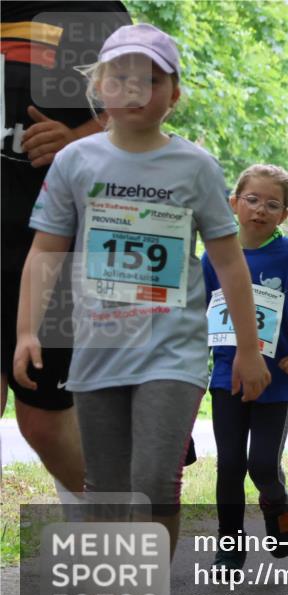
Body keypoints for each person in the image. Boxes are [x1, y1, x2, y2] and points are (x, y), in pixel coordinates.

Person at [13, 24, 270, 595]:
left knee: (154, 481)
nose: (133, 88)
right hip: (97, 347)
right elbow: (45, 251)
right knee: (105, 490)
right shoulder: (77, 162)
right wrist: (25, 330)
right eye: (119, 75)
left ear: (173, 93)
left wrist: (247, 348)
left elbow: (230, 263)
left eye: (149, 77)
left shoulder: (195, 165)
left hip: (172, 348)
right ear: (99, 87)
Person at [2, 1, 131, 496]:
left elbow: (142, 104)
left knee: (43, 424)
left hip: (57, 247)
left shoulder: (98, 12)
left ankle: (125, 525)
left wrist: (76, 137)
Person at [203, 164, 288, 570]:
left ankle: (279, 510)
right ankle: (230, 544)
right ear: (234, 203)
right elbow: (200, 311)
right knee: (230, 464)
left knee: (261, 465)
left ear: (284, 215)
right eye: (252, 200)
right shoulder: (216, 254)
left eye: (272, 204)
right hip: (227, 375)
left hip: (278, 380)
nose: (260, 210)